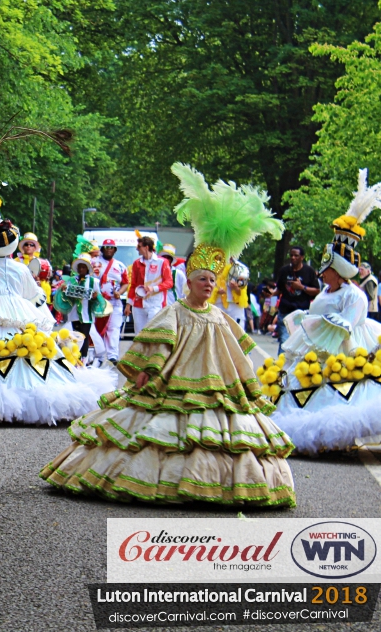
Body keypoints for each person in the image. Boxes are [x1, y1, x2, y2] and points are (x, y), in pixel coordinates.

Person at [40, 162, 294, 507]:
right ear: (188, 281)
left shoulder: (220, 316)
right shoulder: (174, 311)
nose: (208, 285)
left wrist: (245, 388)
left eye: (211, 280)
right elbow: (158, 345)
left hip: (215, 390)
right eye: (202, 279)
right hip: (170, 386)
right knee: (155, 436)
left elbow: (236, 356)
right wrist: (145, 372)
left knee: (219, 442)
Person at [0, 192, 115, 426]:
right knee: (31, 349)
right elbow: (34, 295)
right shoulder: (20, 269)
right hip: (19, 309)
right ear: (13, 243)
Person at [269, 169, 381, 454]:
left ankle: (339, 439)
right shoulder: (326, 291)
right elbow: (314, 312)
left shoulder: (353, 294)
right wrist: (303, 321)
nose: (323, 273)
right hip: (313, 345)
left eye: (327, 269)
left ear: (339, 270)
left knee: (347, 390)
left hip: (346, 347)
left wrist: (317, 323)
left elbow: (349, 324)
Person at [54, 254, 104, 359]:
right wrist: (64, 291)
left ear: (87, 268)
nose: (81, 269)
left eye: (84, 267)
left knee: (84, 337)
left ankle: (84, 359)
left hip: (87, 315)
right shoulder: (71, 281)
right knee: (76, 337)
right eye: (80, 267)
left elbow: (98, 297)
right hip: (74, 313)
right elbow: (66, 296)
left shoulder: (94, 281)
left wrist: (95, 297)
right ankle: (76, 358)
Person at [90, 239, 128, 366]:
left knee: (114, 328)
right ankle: (98, 355)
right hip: (97, 302)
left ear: (115, 250)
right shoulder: (94, 263)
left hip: (114, 302)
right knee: (97, 329)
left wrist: (120, 292)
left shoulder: (120, 266)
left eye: (111, 247)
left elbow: (125, 283)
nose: (109, 249)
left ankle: (112, 356)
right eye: (106, 247)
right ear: (102, 248)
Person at [275, 245, 319, 350]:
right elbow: (279, 289)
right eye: (291, 255)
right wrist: (270, 294)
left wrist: (301, 287)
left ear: (302, 257)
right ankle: (283, 365)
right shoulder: (284, 271)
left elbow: (316, 291)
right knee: (285, 340)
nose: (293, 257)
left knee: (300, 342)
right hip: (285, 311)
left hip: (302, 313)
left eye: (296, 255)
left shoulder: (309, 271)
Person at [127, 235, 172, 332]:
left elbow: (169, 282)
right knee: (139, 334)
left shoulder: (162, 262)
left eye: (139, 247)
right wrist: (128, 304)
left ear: (146, 247)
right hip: (139, 304)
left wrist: (154, 288)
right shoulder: (136, 263)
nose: (136, 249)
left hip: (156, 303)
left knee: (152, 333)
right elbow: (133, 284)